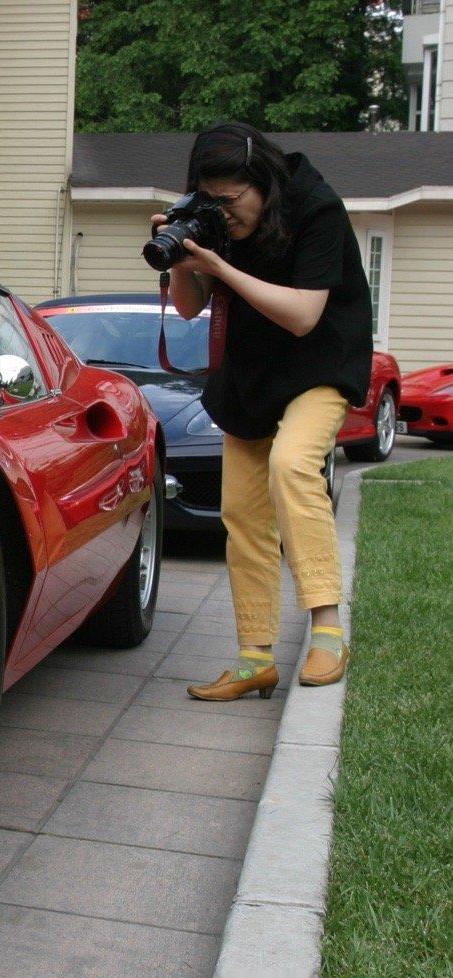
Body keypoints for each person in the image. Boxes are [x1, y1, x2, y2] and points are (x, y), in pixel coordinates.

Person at [156, 123, 371, 701]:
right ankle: (255, 657)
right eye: (211, 200)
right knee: (242, 512)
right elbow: (187, 309)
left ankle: (328, 632)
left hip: (320, 364)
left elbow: (303, 316)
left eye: (232, 200)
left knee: (292, 465)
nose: (223, 213)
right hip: (252, 374)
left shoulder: (317, 209)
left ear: (264, 183)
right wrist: (183, 257)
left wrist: (221, 268)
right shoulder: (214, 217)